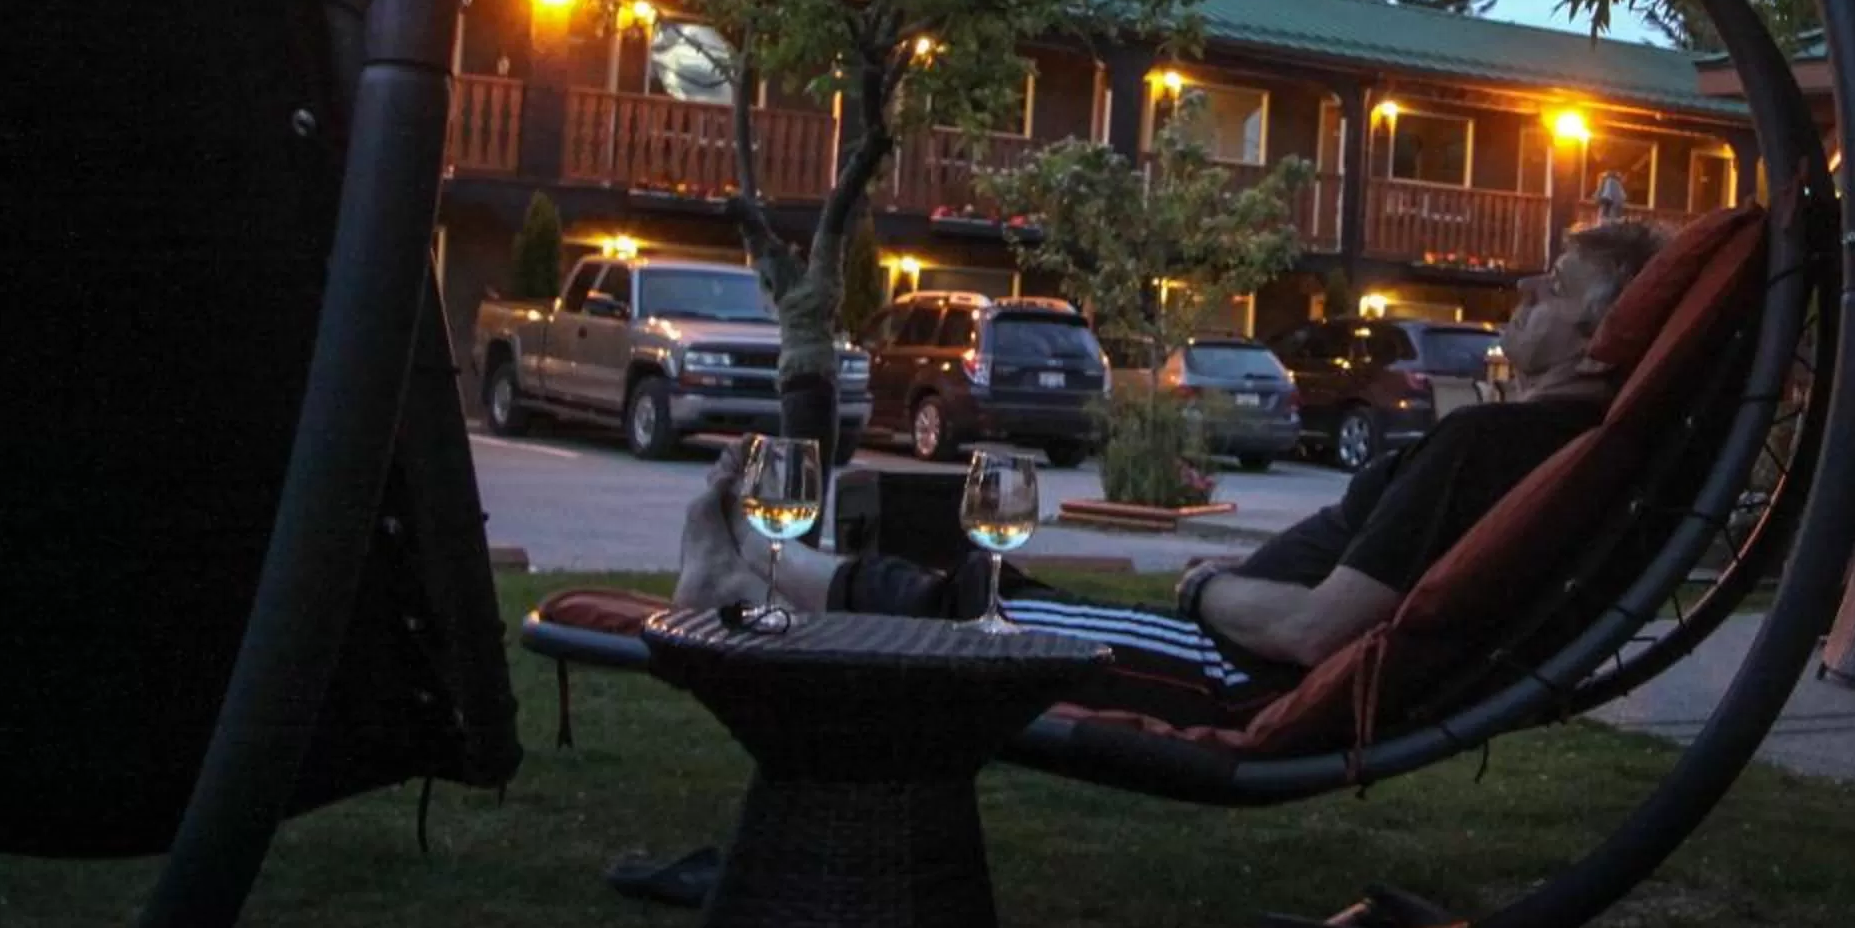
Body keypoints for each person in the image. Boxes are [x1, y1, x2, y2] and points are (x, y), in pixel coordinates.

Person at [672, 220, 1668, 723]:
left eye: (1559, 284)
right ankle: (765, 574)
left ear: (1600, 329)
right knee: (1003, 597)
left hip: (1240, 675)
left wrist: (1204, 585)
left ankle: (755, 573)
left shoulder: (1490, 449)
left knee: (989, 619)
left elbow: (1320, 631)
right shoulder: (1551, 452)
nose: (1528, 288)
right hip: (1238, 656)